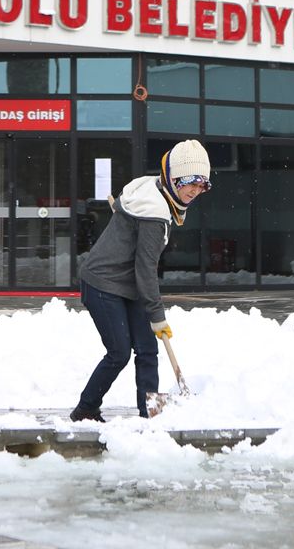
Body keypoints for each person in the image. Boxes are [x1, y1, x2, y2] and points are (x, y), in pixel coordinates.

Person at [70, 139, 212, 422]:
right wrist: (157, 315)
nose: (194, 191)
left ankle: (150, 413)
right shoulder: (154, 213)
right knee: (119, 352)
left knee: (148, 348)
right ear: (173, 179)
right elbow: (146, 268)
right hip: (103, 283)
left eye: (201, 185)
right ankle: (85, 409)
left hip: (129, 283)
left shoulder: (155, 190)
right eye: (189, 183)